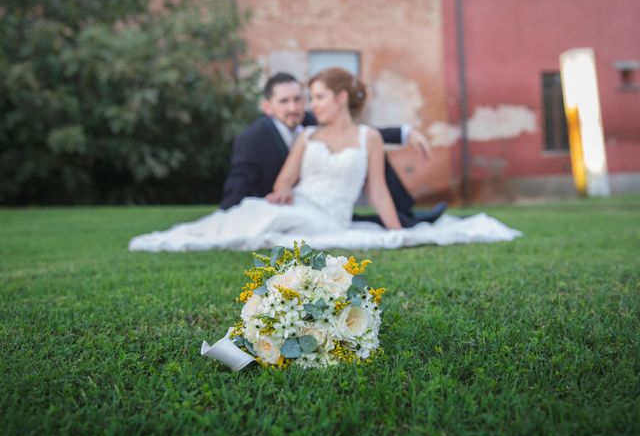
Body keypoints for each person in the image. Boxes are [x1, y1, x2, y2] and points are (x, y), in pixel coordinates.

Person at [129, 68, 521, 252]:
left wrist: (395, 231)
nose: (305, 106)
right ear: (269, 106)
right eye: (296, 100)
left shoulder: (365, 138)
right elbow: (284, 180)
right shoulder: (307, 135)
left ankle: (414, 221)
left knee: (276, 223)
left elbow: (379, 192)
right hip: (299, 203)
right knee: (255, 214)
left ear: (338, 99)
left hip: (330, 214)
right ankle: (219, 227)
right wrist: (281, 192)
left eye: (312, 98)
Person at [220, 72, 447, 227]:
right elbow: (243, 181)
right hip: (290, 204)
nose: (294, 107)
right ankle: (405, 220)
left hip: (335, 207)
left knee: (363, 152)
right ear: (268, 107)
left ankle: (407, 217)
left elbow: (351, 132)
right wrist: (234, 214)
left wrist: (405, 133)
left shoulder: (311, 121)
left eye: (299, 99)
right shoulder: (253, 138)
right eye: (284, 101)